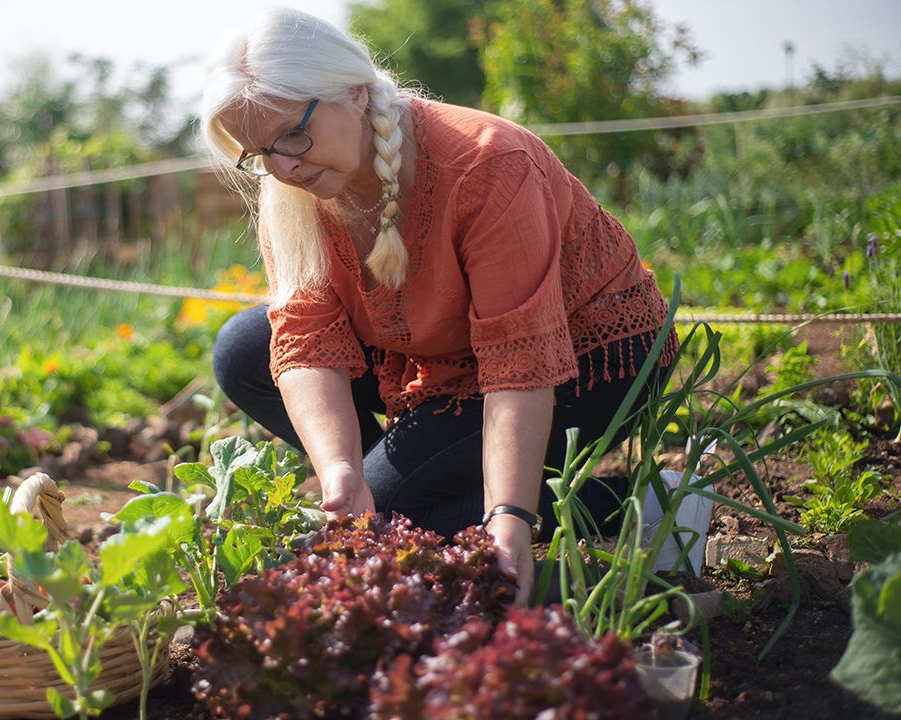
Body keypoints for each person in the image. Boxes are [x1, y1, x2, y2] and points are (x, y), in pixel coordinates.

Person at [199, 8, 681, 605]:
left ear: (352, 91)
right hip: (445, 356)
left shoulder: (486, 163)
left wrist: (509, 517)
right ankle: (405, 491)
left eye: (292, 137)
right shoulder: (293, 186)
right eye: (259, 154)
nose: (283, 167)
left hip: (588, 358)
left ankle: (651, 499)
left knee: (397, 516)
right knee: (245, 349)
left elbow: (519, 365)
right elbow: (307, 334)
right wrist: (340, 471)